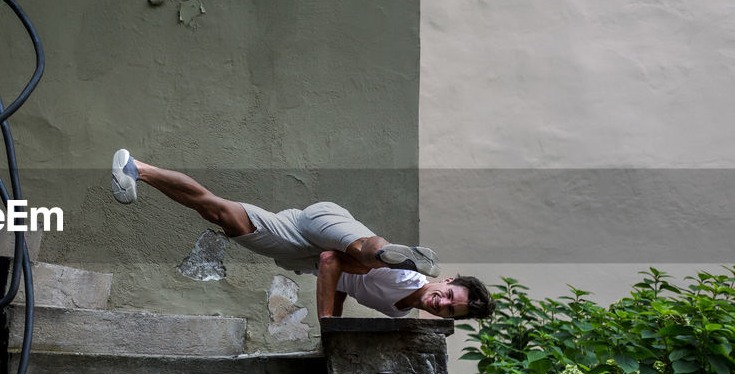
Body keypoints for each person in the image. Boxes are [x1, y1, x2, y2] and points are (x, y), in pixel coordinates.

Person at [110, 148, 495, 320]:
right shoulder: (408, 278)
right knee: (364, 251)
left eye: (448, 309)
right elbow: (332, 261)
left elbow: (342, 285)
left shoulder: (399, 309)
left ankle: (137, 168)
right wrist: (328, 327)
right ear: (444, 280)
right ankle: (388, 251)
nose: (441, 303)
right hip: (326, 231)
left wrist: (337, 321)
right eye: (447, 295)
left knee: (217, 211)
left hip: (299, 242)